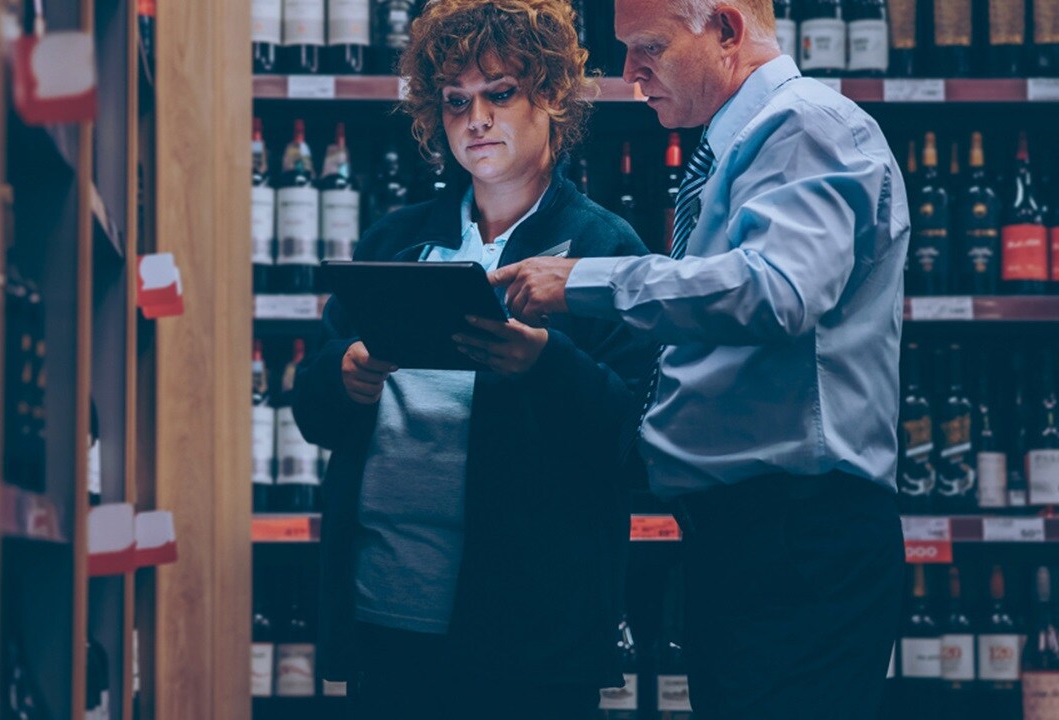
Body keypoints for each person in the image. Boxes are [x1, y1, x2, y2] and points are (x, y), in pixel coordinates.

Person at [489, 1, 909, 717]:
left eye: (648, 46)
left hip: (798, 539)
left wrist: (583, 281)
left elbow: (778, 290)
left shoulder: (804, 125)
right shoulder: (740, 143)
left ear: (726, 31)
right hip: (752, 536)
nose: (627, 73)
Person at [292, 0, 655, 717]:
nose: (476, 119)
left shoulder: (609, 250)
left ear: (550, 95)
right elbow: (312, 404)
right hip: (384, 620)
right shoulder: (397, 240)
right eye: (456, 101)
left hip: (528, 643)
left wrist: (543, 364)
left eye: (500, 93)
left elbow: (637, 442)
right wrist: (344, 377)